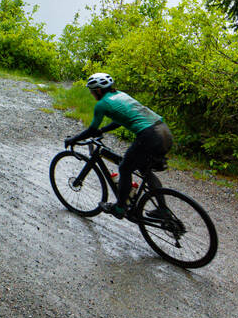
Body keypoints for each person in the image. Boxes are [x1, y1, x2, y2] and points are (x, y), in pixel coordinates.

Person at [64, 72, 173, 219]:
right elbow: (119, 120)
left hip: (149, 135)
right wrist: (103, 130)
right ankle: (163, 210)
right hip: (164, 131)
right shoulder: (121, 95)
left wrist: (73, 140)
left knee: (125, 167)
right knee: (144, 170)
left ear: (98, 90)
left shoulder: (102, 104)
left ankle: (120, 208)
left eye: (92, 91)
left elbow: (91, 130)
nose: (92, 94)